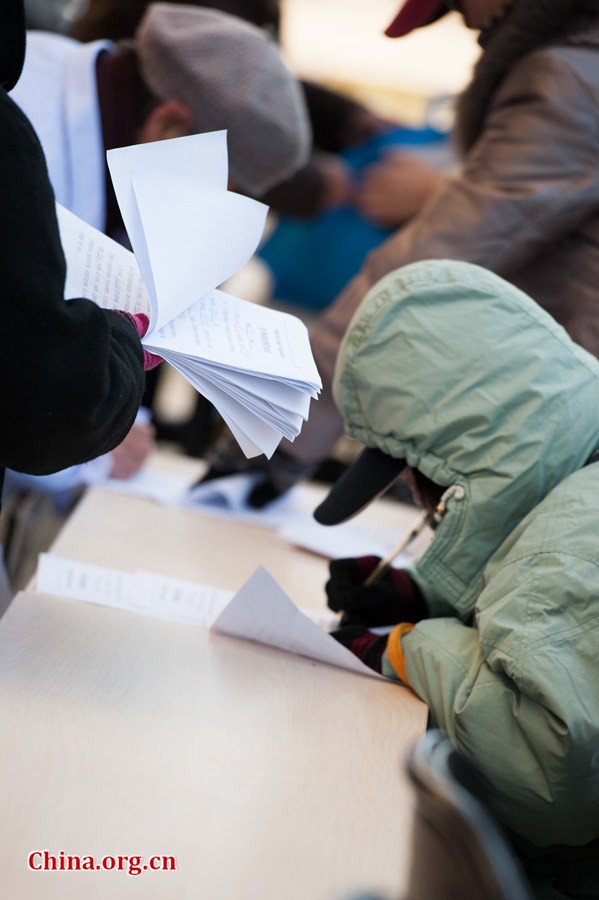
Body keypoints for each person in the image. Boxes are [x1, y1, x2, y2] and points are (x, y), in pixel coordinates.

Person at [203, 0, 599, 505]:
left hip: (576, 417)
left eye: (458, 8)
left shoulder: (570, 80)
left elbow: (427, 266)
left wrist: (285, 419)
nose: (473, 31)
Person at [314, 258, 599, 897]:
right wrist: (427, 593)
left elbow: (550, 777)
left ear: (469, 478)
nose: (429, 514)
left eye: (434, 499)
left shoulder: (568, 551)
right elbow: (553, 626)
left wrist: (406, 648)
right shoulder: (578, 491)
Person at [0, 0, 153, 513]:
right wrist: (126, 341)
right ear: (172, 123)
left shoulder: (44, 78)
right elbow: (41, 398)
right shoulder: (17, 125)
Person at [10, 2, 311, 239]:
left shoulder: (47, 54)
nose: (206, 219)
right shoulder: (30, 183)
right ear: (168, 127)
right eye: (222, 193)